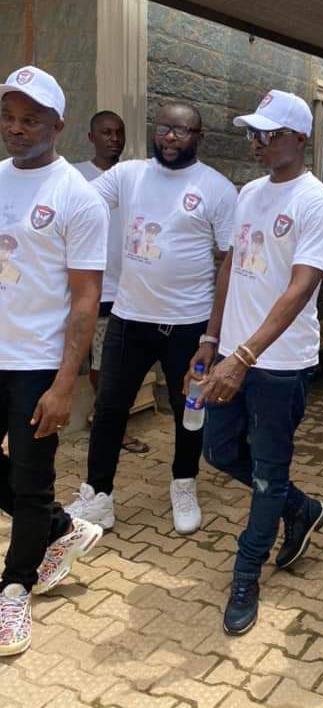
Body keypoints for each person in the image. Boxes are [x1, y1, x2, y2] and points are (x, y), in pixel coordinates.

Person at [186, 90, 323, 636]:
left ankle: (246, 573)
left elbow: (300, 288)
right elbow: (231, 266)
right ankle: (300, 508)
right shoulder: (249, 192)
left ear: (299, 139)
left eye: (268, 135)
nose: (256, 143)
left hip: (279, 363)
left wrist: (246, 356)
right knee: (219, 450)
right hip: (232, 352)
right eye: (253, 133)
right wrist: (212, 339)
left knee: (269, 471)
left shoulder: (317, 203)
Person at [65, 102, 238, 535]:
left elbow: (230, 263)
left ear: (198, 136)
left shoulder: (217, 188)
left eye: (181, 130)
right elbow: (78, 202)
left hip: (189, 325)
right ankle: (99, 495)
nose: (170, 137)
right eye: (164, 128)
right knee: (110, 408)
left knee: (188, 410)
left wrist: (213, 336)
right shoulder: (128, 175)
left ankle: (184, 483)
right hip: (129, 319)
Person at [0, 66, 107, 656]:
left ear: (58, 126)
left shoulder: (77, 197)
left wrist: (65, 385)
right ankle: (63, 528)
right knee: (27, 490)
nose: (16, 128)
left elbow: (86, 299)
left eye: (30, 119)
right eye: (9, 117)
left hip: (38, 363)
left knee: (29, 482)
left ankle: (15, 589)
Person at [74, 110, 149, 455]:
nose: (114, 139)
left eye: (119, 133)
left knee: (126, 363)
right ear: (91, 137)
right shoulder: (77, 177)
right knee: (102, 363)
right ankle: (109, 427)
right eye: (106, 132)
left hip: (132, 288)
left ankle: (106, 421)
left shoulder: (136, 177)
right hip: (97, 288)